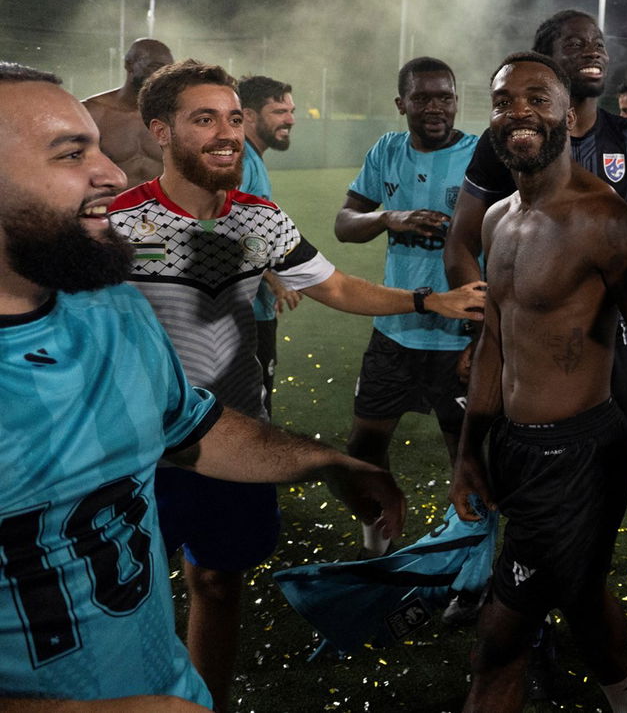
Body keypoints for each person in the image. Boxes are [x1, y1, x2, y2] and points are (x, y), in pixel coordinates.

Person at [0, 62, 406, 710]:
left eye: (98, 148)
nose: (109, 172)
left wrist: (324, 460)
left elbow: (191, 428)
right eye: (72, 153)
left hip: (175, 690)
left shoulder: (115, 312)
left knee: (214, 576)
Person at [107, 60, 485, 709]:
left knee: (219, 583)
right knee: (120, 603)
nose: (227, 133)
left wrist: (428, 301)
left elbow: (334, 285)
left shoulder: (258, 219)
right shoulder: (114, 223)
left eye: (232, 118)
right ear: (159, 131)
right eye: (205, 120)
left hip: (236, 441)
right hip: (133, 452)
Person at [448, 52, 627, 713]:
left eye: (536, 99)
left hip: (581, 454)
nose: (518, 112)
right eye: (503, 101)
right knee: (582, 594)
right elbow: (495, 342)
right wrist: (472, 450)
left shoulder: (609, 222)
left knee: (499, 638)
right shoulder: (498, 219)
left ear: (565, 116)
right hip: (515, 448)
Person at [443, 10, 627, 467]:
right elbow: (460, 242)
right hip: (532, 329)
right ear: (545, 59)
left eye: (597, 42)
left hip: (618, 332)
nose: (592, 50)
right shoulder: (508, 137)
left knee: (606, 464)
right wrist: (489, 322)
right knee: (518, 460)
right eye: (574, 45)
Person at [334, 57, 479, 555]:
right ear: (402, 104)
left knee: (468, 459)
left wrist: (486, 335)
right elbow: (344, 224)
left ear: (457, 100)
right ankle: (377, 550)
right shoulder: (387, 150)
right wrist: (389, 216)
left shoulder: (482, 156)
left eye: (445, 96)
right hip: (395, 332)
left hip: (458, 335)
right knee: (363, 449)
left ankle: (465, 568)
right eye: (423, 97)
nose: (436, 107)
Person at [236, 74, 298, 414]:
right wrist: (274, 281)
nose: (290, 119)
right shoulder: (242, 162)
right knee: (253, 410)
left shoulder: (251, 160)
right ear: (247, 115)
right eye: (278, 111)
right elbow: (229, 231)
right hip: (242, 316)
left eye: (291, 110)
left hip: (251, 307)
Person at [81, 36, 174, 189]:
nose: (162, 75)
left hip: (162, 209)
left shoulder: (176, 114)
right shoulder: (91, 113)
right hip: (108, 207)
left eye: (168, 70)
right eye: (155, 66)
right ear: (129, 65)